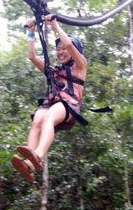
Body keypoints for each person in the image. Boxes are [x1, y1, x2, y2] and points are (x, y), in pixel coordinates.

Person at [11, 14, 88, 182]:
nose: (60, 52)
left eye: (63, 49)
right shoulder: (54, 72)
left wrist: (54, 25)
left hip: (69, 105)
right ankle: (29, 163)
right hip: (54, 103)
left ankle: (38, 154)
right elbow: (32, 57)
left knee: (49, 117)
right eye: (58, 50)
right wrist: (31, 32)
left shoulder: (81, 66)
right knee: (38, 118)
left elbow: (68, 44)